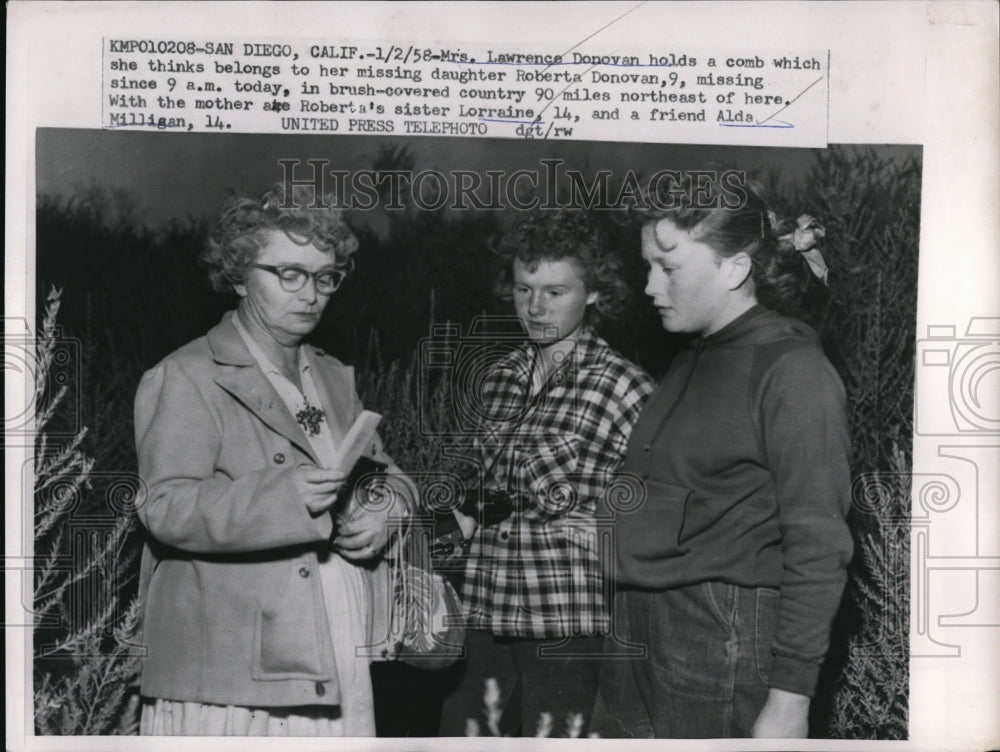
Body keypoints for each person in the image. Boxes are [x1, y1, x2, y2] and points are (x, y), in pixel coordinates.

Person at [133, 184, 414, 736]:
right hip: (233, 663)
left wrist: (390, 507)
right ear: (238, 275)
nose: (310, 293)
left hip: (332, 638)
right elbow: (164, 505)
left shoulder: (332, 375)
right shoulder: (189, 374)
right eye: (288, 273)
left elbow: (383, 471)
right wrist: (285, 497)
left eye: (325, 276)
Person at [591, 175, 853, 738]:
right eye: (647, 266)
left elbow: (819, 544)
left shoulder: (793, 371)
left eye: (669, 269)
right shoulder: (694, 353)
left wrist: (790, 700)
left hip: (720, 631)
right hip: (641, 618)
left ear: (734, 269)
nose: (648, 287)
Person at [437, 209, 655, 737]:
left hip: (566, 624)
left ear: (595, 293)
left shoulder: (626, 387)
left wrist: (609, 532)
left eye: (555, 292)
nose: (534, 307)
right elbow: (489, 486)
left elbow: (665, 506)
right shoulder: (501, 378)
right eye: (522, 289)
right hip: (486, 612)